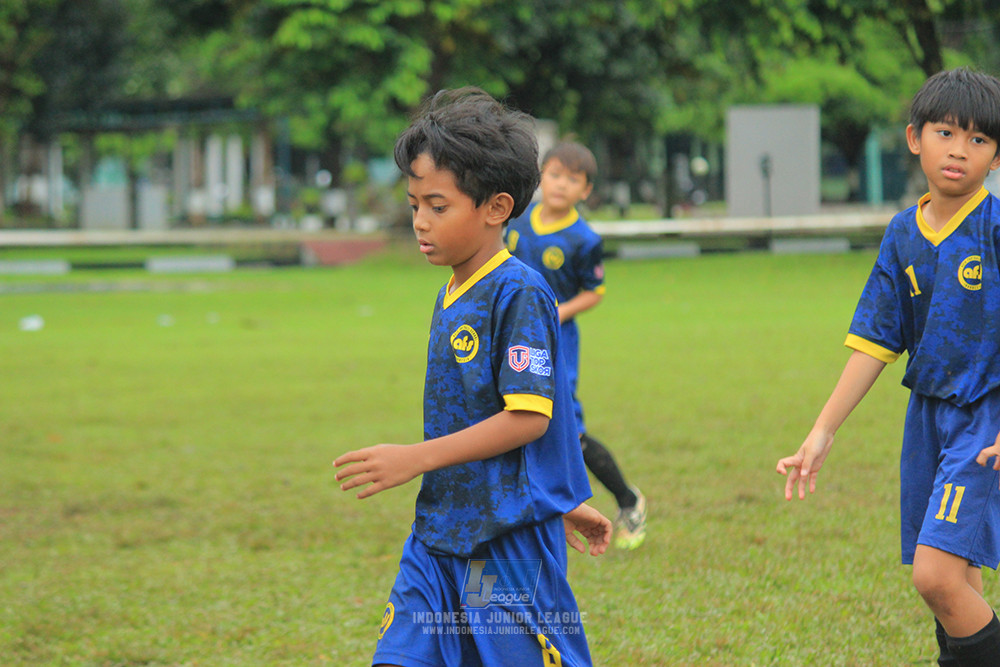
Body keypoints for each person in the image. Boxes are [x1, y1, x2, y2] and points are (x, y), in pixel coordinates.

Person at [334, 87, 611, 667]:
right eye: (414, 205)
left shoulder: (520, 292)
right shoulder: (452, 290)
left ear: (496, 207)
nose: (419, 222)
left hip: (501, 544)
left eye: (438, 206)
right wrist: (556, 499)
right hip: (438, 532)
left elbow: (529, 417)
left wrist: (417, 457)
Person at [776, 67, 1000, 667]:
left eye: (979, 140)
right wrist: (822, 431)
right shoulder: (902, 233)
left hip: (984, 419)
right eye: (946, 132)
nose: (959, 150)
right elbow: (877, 339)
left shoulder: (994, 226)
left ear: (997, 156)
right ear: (913, 137)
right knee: (957, 579)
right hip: (926, 418)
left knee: (935, 577)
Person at [506, 141, 647, 550]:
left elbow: (595, 292)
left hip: (556, 342)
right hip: (512, 335)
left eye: (573, 180)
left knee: (566, 429)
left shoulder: (583, 239)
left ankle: (628, 500)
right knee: (507, 416)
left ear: (585, 191)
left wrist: (559, 313)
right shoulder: (516, 220)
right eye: (554, 174)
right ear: (540, 177)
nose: (560, 185)